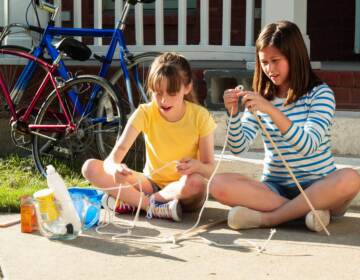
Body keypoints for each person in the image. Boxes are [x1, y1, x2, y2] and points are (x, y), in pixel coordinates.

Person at [210, 20, 360, 232]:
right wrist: (233, 115)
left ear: (294, 57)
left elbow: (308, 145)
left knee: (351, 178)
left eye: (275, 60)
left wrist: (272, 111)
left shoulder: (321, 94)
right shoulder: (262, 97)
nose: (269, 69)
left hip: (320, 187)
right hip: (275, 189)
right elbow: (238, 147)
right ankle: (307, 214)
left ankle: (268, 219)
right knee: (218, 184)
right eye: (263, 62)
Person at [82, 52, 216, 222]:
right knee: (90, 168)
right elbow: (112, 159)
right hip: (149, 184)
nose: (164, 100)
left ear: (187, 88)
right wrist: (116, 168)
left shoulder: (200, 116)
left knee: (196, 182)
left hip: (185, 189)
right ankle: (150, 207)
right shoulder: (145, 113)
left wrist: (196, 166)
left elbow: (210, 168)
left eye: (172, 93)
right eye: (157, 93)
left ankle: (135, 202)